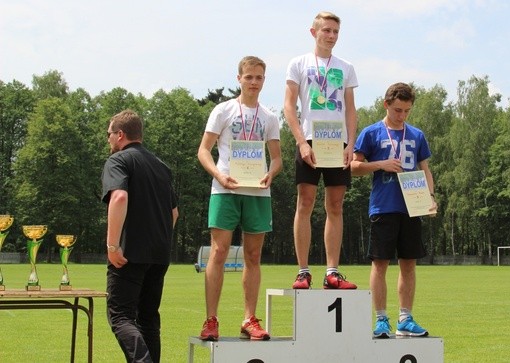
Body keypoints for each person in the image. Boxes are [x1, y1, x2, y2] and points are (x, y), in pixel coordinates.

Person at [197, 56, 282, 341]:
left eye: (259, 78)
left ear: (264, 81)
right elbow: (204, 151)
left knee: (253, 255)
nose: (254, 82)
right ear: (239, 79)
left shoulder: (269, 117)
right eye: (249, 77)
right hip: (225, 189)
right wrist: (219, 177)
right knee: (219, 252)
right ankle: (211, 320)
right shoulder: (223, 111)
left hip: (257, 192)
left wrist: (271, 173)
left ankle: (249, 319)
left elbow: (277, 158)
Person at [351, 82, 437, 338]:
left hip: (412, 206)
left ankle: (405, 318)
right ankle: (380, 320)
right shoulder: (371, 133)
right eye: (398, 110)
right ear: (386, 104)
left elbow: (426, 170)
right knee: (380, 264)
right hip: (383, 207)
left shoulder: (417, 135)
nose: (402, 116)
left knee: (408, 264)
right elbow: (354, 167)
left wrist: (430, 197)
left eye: (407, 111)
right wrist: (381, 164)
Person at [284, 11, 358, 290]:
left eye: (335, 32)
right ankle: (303, 271)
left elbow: (351, 109)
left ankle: (332, 272)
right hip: (311, 139)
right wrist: (301, 141)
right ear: (313, 32)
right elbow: (289, 106)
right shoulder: (298, 63)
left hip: (337, 142)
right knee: (305, 202)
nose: (331, 36)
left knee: (336, 205)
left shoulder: (346, 66)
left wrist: (351, 144)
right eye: (326, 30)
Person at [101, 110, 179, 362]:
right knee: (148, 319)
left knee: (121, 316)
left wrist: (113, 244)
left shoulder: (118, 160)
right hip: (159, 254)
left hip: (129, 253)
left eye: (109, 134)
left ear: (120, 134)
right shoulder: (162, 167)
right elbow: (174, 213)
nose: (108, 139)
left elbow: (119, 197)